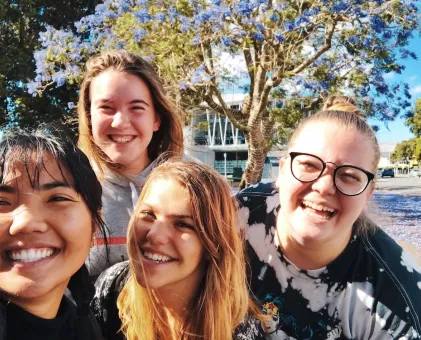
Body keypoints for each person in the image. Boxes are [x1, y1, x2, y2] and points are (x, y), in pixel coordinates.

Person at [236, 96, 421, 339]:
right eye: (309, 165)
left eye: (349, 176)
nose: (324, 187)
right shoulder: (238, 216)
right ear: (281, 171)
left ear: (367, 194)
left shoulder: (396, 302)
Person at [91, 161, 265, 339]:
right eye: (148, 214)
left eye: (183, 224)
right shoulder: (110, 289)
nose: (155, 235)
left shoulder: (240, 329)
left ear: (213, 244)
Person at [77, 50, 186, 275]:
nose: (120, 122)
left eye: (136, 108)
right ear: (89, 117)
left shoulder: (192, 189)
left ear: (156, 119)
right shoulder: (69, 191)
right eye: (106, 108)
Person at [0, 129, 108, 340]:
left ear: (94, 226)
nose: (26, 223)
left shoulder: (86, 327)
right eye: (2, 202)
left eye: (57, 199)